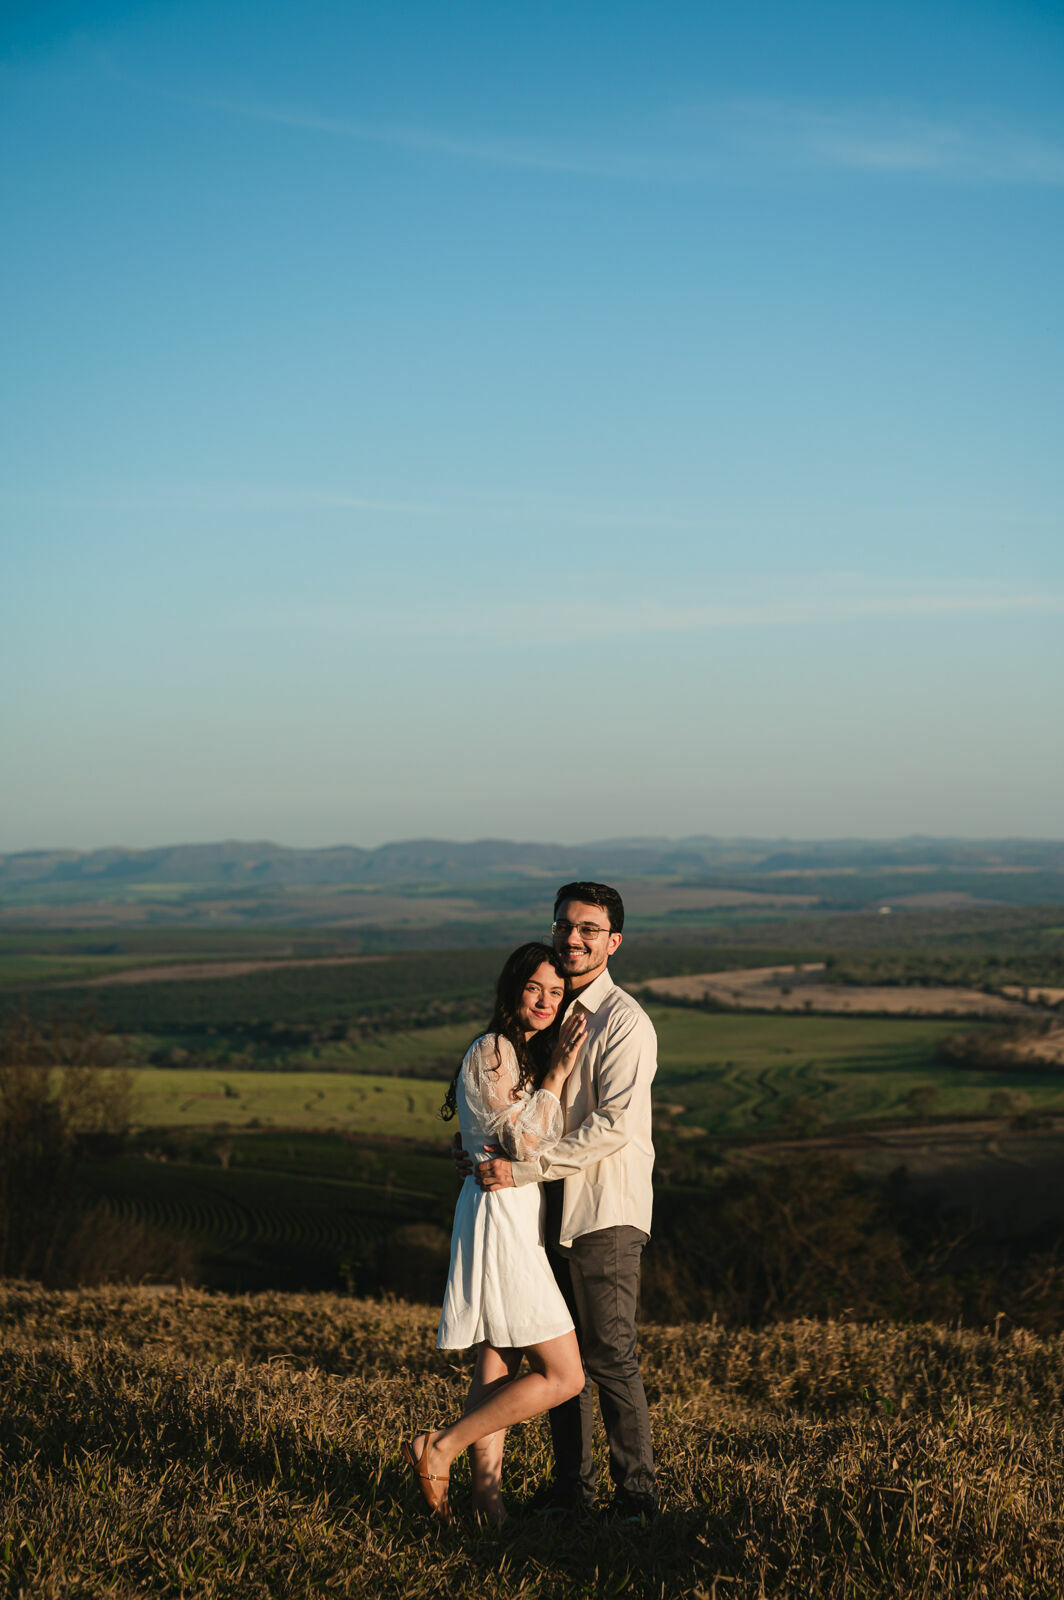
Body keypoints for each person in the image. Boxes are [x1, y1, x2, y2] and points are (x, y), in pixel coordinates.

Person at [473, 881, 658, 1521]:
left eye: (587, 929)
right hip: (544, 1211)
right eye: (563, 925)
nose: (572, 938)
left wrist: (524, 1169)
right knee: (565, 1358)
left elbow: (614, 1127)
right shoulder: (549, 1015)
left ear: (614, 942)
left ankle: (636, 1501)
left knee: (610, 1357)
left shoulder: (625, 1022)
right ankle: (569, 1494)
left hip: (604, 1211)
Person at [403, 943, 589, 1525]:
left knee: (498, 1356)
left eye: (556, 993)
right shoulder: (494, 1050)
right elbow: (523, 1144)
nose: (545, 1001)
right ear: (513, 989)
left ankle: (487, 1503)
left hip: (508, 1209)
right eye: (536, 988)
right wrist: (558, 1075)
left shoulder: (515, 1054)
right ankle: (442, 1446)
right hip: (500, 1214)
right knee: (564, 1375)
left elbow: (494, 1135)